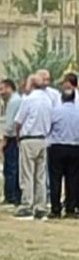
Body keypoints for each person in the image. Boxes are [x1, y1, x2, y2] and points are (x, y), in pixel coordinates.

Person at [15, 75, 53, 221]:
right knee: (40, 176)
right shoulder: (48, 100)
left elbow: (18, 121)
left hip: (29, 138)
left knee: (27, 174)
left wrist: (18, 137)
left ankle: (27, 205)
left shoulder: (28, 99)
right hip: (43, 138)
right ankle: (40, 206)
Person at [47, 88, 79, 218]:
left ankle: (56, 208)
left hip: (57, 147)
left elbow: (48, 128)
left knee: (55, 179)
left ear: (62, 99)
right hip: (75, 148)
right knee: (73, 178)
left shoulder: (55, 111)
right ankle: (71, 208)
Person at [0, 79, 22, 206]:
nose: (0, 93)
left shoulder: (13, 102)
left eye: (2, 89)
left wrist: (4, 139)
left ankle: (11, 195)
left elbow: (11, 123)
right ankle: (13, 194)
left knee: (11, 168)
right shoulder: (14, 101)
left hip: (12, 139)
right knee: (12, 167)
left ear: (9, 88)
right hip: (14, 138)